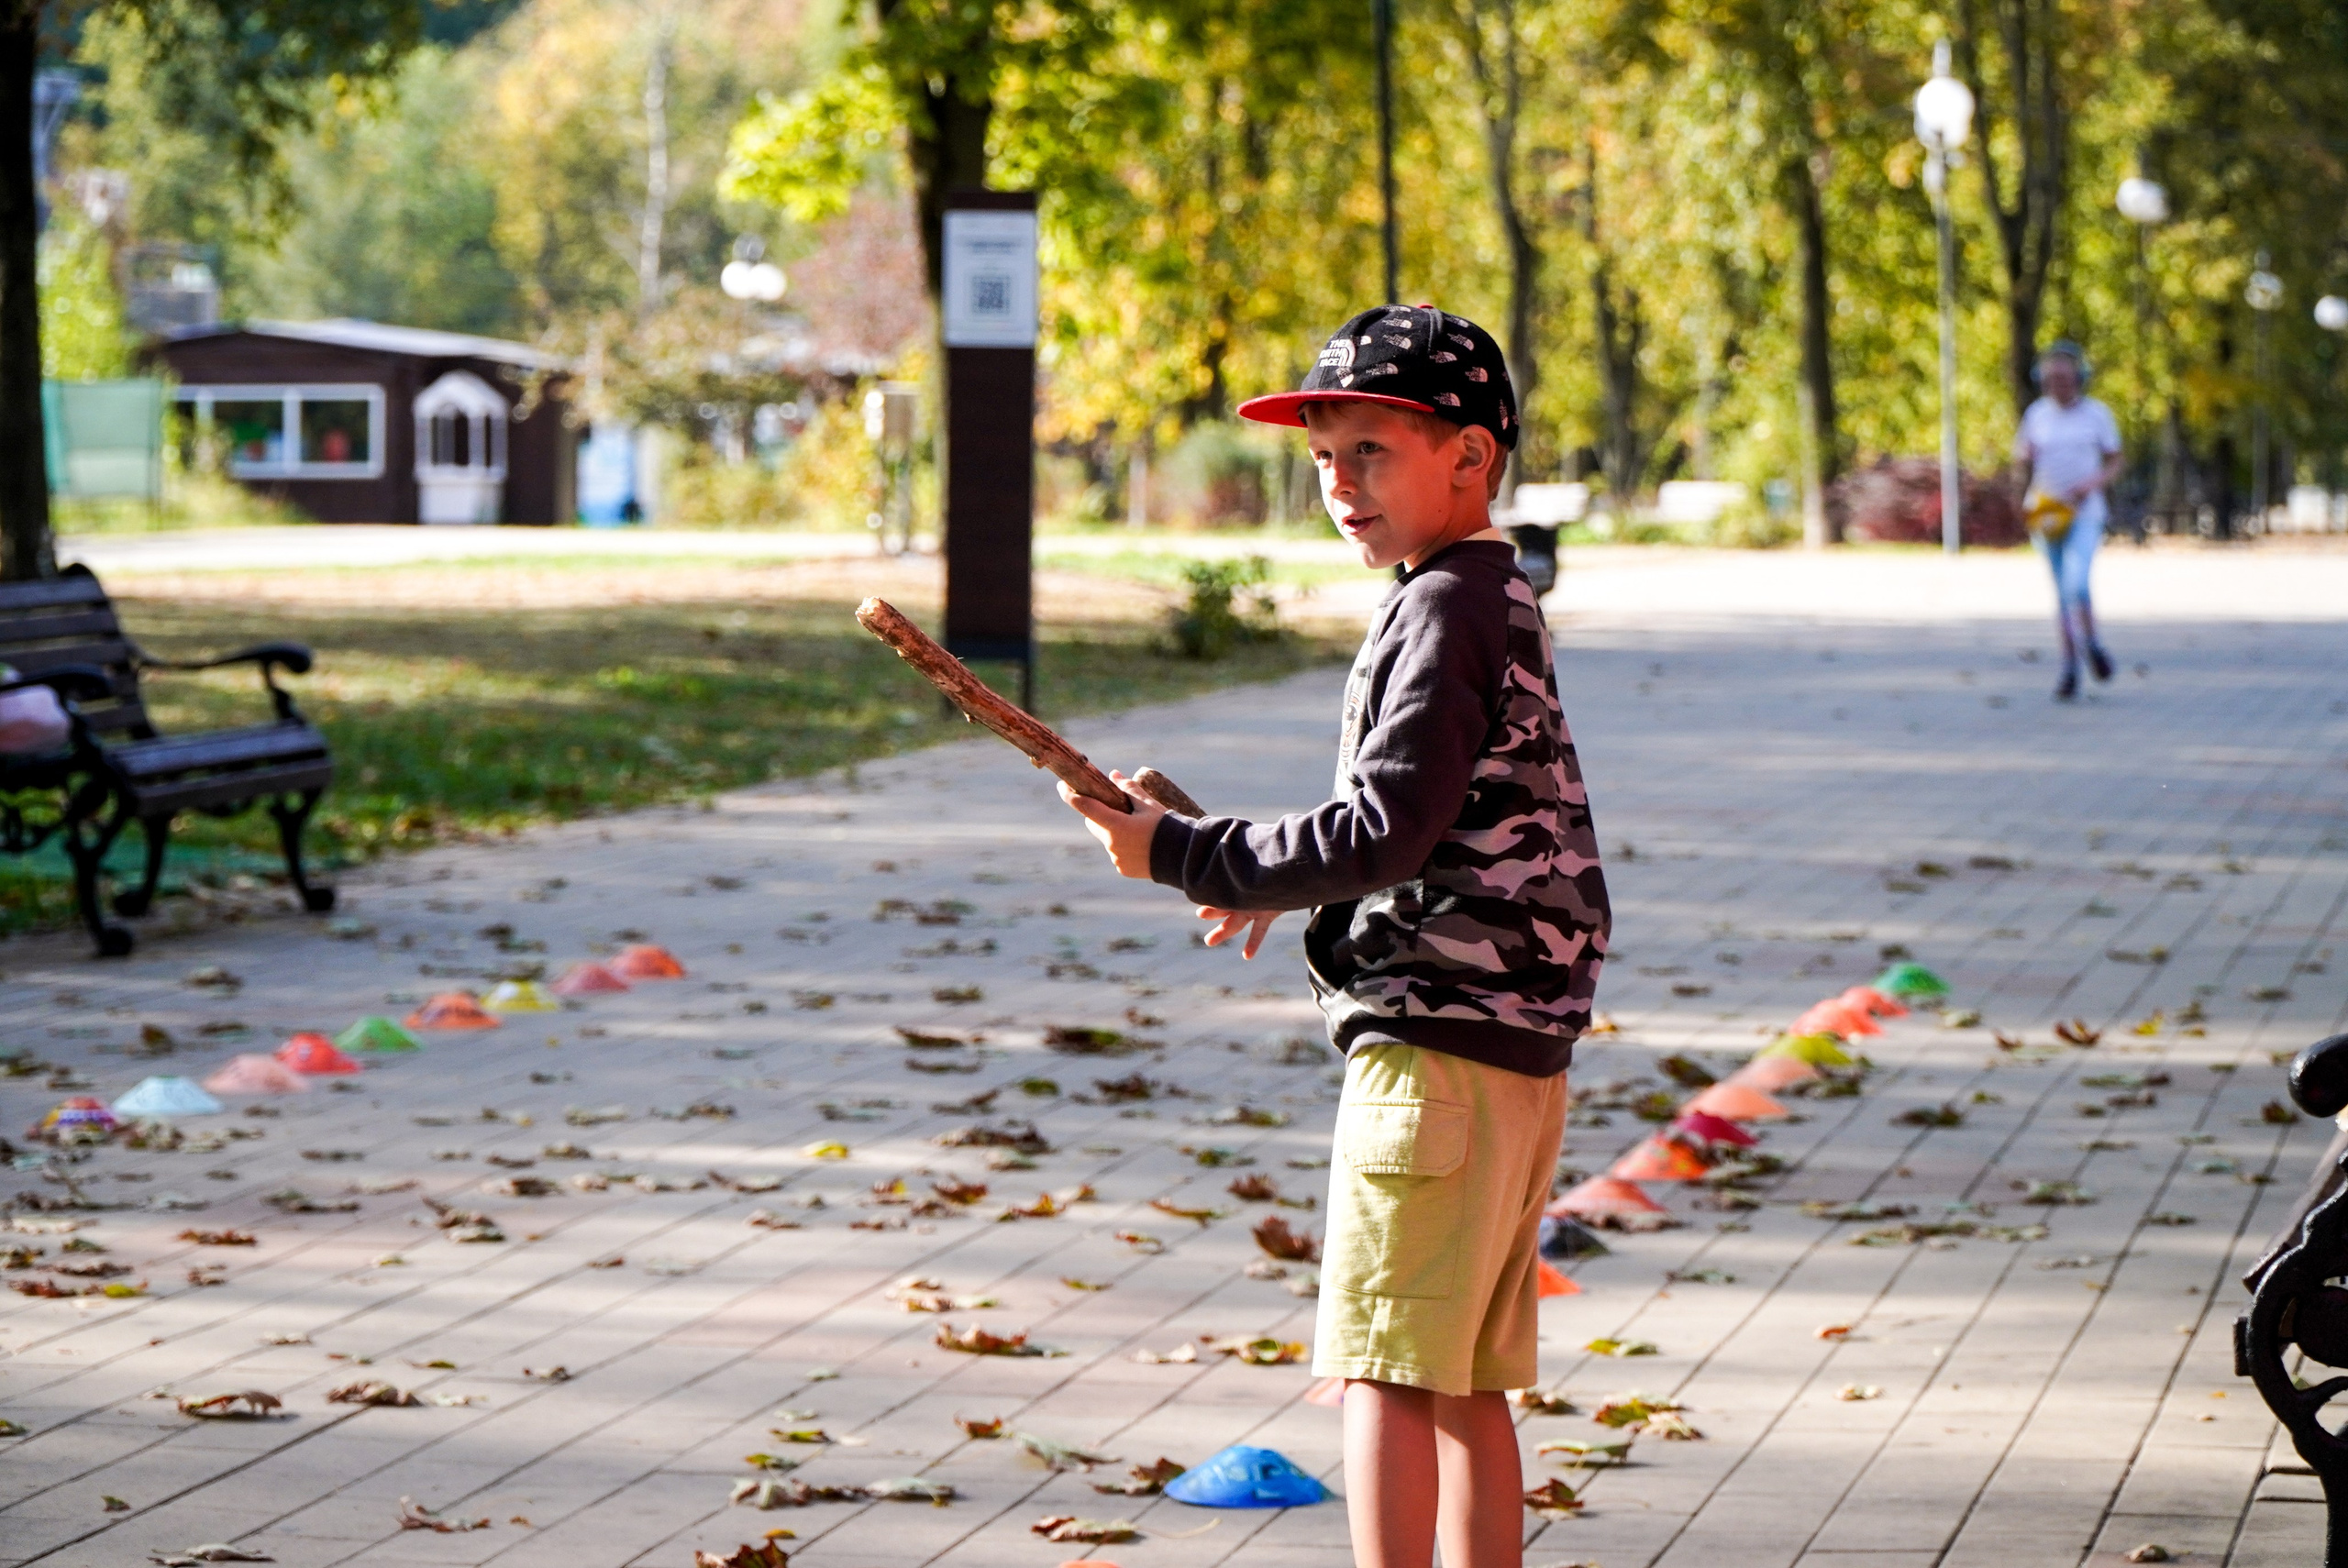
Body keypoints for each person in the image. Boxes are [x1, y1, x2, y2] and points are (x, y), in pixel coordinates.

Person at [1058, 304, 1611, 1568]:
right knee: (1463, 1377)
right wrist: (1280, 888)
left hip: (1435, 1049)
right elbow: (1442, 828)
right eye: (1321, 461)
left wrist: (1186, 855)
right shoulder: (1486, 594)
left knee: (1381, 1370)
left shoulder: (1442, 610)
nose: (1339, 485)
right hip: (1509, 1049)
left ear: (1469, 457)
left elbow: (1386, 830)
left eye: (1371, 452)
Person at [2014, 339, 2125, 700]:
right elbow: (2022, 459)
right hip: (2047, 513)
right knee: (2062, 594)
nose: (2059, 385)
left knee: (2077, 583)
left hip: (2085, 512)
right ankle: (2071, 665)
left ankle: (2091, 643)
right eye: (2052, 379)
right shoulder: (2036, 415)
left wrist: (2091, 484)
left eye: (2065, 378)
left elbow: (2116, 460)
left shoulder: (2097, 415)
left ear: (2079, 377)